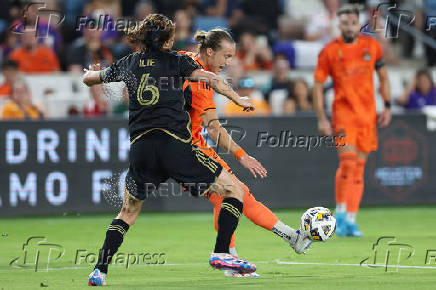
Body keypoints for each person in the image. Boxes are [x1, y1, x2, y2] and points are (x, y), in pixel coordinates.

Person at [82, 14, 261, 286]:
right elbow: (212, 79)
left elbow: (91, 79)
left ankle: (99, 270)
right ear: (167, 40)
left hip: (141, 148)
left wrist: (88, 74)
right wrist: (238, 98)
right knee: (233, 190)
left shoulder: (128, 63)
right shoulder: (177, 61)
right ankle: (222, 252)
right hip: (174, 144)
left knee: (127, 211)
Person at [181, 29, 312, 277]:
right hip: (191, 150)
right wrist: (243, 156)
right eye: (226, 56)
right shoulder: (201, 84)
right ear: (209, 51)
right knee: (234, 193)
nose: (228, 63)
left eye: (232, 57)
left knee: (231, 196)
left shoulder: (184, 59)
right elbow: (215, 128)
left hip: (187, 147)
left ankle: (277, 242)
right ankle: (233, 258)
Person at [313, 5, 391, 237]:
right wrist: (321, 117)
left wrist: (387, 105)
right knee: (347, 163)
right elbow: (317, 85)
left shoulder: (372, 46)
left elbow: (383, 77)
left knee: (359, 168)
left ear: (359, 24)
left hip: (367, 116)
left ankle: (350, 221)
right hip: (343, 115)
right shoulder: (329, 51)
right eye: (345, 23)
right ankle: (339, 215)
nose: (349, 27)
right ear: (339, 25)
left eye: (353, 23)